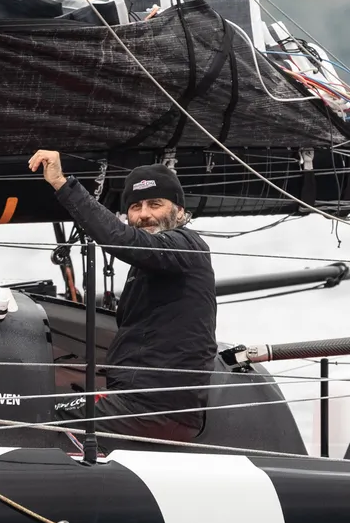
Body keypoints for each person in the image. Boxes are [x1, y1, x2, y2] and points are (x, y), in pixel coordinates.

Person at [29, 149, 217, 442]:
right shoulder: (155, 261)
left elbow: (121, 239)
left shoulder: (187, 246)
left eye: (155, 204)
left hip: (151, 406)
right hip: (143, 401)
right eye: (135, 206)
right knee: (43, 407)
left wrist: (62, 184)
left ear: (180, 211)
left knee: (34, 420)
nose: (144, 215)